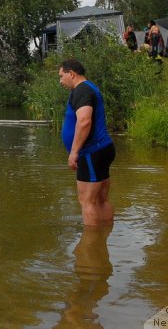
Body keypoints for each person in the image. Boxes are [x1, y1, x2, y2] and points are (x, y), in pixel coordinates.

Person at [59, 59, 116, 226]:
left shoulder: (81, 91)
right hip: (102, 149)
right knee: (101, 199)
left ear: (72, 73)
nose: (60, 81)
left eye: (61, 76)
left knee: (87, 201)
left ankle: (91, 245)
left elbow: (84, 121)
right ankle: (103, 237)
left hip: (91, 152)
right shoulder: (89, 87)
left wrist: (74, 152)